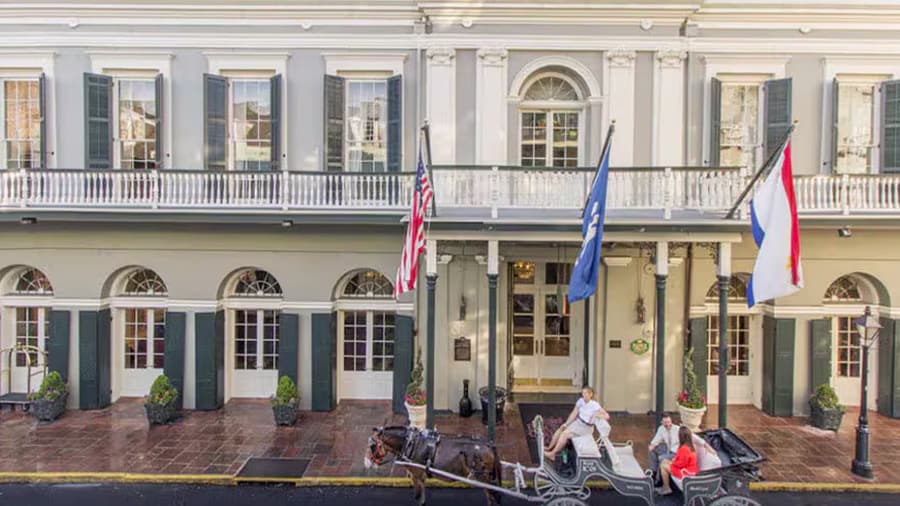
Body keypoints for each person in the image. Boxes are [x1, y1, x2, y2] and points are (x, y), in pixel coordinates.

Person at [544, 386, 609, 460]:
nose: (584, 395)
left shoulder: (594, 405)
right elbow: (574, 413)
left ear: (590, 394)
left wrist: (597, 415)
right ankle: (549, 448)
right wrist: (566, 424)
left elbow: (607, 416)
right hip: (578, 423)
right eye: (583, 393)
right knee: (561, 428)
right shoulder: (580, 401)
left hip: (586, 428)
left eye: (586, 393)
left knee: (564, 435)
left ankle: (552, 454)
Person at [656, 426, 699, 496]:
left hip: (686, 473)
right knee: (664, 461)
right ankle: (665, 486)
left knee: (663, 466)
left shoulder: (684, 448)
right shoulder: (690, 445)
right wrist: (673, 461)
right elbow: (682, 460)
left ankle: (666, 488)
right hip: (688, 470)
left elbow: (681, 464)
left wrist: (673, 462)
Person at [648, 412, 680, 480]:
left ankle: (659, 480)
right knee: (652, 451)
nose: (668, 424)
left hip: (676, 453)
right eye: (665, 423)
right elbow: (655, 441)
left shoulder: (677, 429)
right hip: (668, 450)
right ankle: (654, 472)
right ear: (661, 422)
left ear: (671, 421)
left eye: (669, 422)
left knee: (661, 458)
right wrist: (652, 446)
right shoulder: (661, 429)